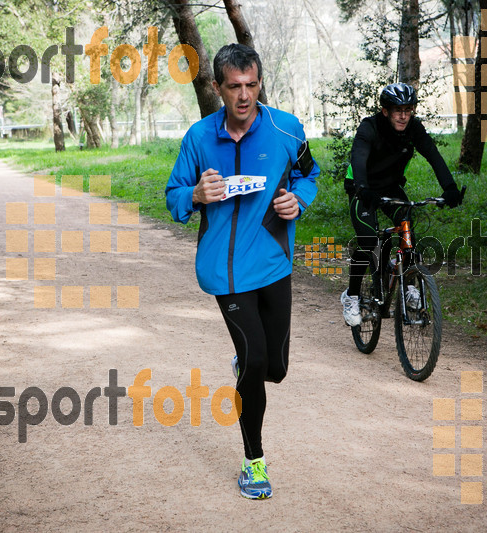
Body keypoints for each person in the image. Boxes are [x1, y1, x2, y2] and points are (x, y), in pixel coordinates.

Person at [166, 43, 318, 500]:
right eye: (235, 87)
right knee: (254, 363)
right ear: (217, 88)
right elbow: (172, 197)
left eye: (252, 85)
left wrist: (300, 199)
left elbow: (309, 174)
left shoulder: (285, 129)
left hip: (273, 263)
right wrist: (195, 196)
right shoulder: (198, 138)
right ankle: (254, 462)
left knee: (276, 368)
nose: (245, 96)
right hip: (225, 271)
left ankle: (247, 366)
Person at [340, 82, 464, 327]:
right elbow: (359, 157)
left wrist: (449, 189)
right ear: (385, 111)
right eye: (398, 110)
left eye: (408, 110)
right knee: (368, 242)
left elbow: (434, 156)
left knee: (407, 227)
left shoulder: (413, 128)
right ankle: (351, 296)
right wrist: (363, 189)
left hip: (390, 187)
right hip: (362, 186)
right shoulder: (370, 126)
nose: (403, 115)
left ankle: (409, 284)